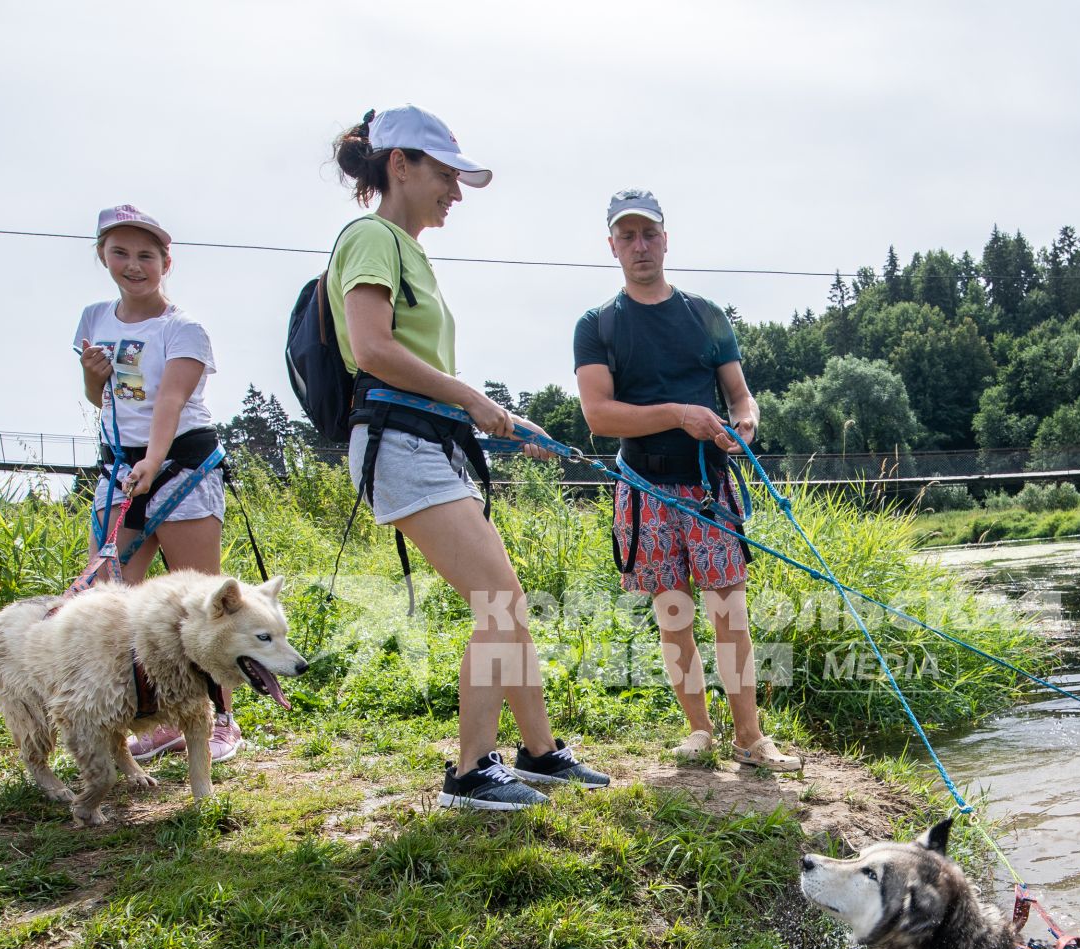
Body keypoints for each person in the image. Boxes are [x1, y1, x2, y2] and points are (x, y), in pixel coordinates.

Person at [327, 105, 608, 810]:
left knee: (504, 600)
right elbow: (373, 350)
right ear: (400, 164)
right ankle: (470, 771)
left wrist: (495, 417)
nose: (456, 192)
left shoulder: (405, 249)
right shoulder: (371, 236)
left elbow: (415, 365)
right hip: (401, 443)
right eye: (446, 175)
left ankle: (539, 754)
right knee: (499, 600)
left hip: (431, 440)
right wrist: (474, 399)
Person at [574, 190, 801, 771]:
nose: (640, 246)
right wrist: (678, 414)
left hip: (710, 490)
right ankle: (699, 730)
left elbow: (741, 397)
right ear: (612, 246)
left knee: (732, 617)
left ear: (666, 238)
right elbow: (599, 416)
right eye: (627, 237)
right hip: (644, 493)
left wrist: (743, 428)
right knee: (674, 617)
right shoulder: (597, 325)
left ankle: (749, 738)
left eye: (649, 234)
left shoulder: (705, 315)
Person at [73, 204, 242, 764]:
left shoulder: (182, 328)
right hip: (120, 469)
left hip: (181, 468)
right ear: (103, 257)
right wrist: (92, 376)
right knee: (109, 603)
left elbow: (170, 400)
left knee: (202, 601)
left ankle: (220, 719)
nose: (134, 264)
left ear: (166, 262)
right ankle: (143, 718)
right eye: (120, 252)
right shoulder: (93, 318)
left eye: (146, 255)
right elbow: (102, 400)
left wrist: (155, 462)